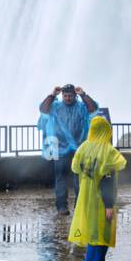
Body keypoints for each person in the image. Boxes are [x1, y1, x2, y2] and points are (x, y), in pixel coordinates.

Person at [68, 116, 126, 261]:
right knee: (98, 239)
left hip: (86, 199)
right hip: (101, 201)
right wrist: (109, 204)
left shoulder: (83, 148)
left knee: (99, 236)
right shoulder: (107, 151)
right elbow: (107, 179)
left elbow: (75, 168)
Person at [38, 84, 99, 215]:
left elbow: (93, 109)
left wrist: (83, 94)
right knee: (60, 178)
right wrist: (52, 95)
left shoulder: (81, 107)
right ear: (62, 96)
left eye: (70, 95)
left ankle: (79, 207)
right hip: (60, 149)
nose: (67, 98)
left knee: (80, 178)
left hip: (79, 148)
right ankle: (61, 207)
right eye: (65, 96)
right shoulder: (56, 106)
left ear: (74, 96)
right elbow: (43, 109)